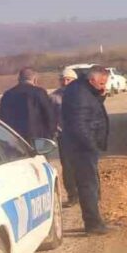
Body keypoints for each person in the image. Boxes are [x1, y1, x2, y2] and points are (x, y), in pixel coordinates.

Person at [60, 66, 112, 235]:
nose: (104, 85)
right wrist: (91, 145)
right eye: (102, 82)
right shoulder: (79, 94)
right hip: (81, 148)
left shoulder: (85, 89)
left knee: (92, 184)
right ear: (92, 80)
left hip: (84, 146)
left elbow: (92, 110)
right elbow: (79, 124)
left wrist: (101, 95)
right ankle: (93, 224)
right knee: (88, 185)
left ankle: (95, 220)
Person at [0, 68, 57, 146]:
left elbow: (2, 117)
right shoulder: (39, 93)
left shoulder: (8, 94)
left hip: (14, 138)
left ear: (19, 79)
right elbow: (49, 115)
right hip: (37, 138)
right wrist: (51, 134)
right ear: (35, 79)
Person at [50, 68, 79, 207]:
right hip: (64, 136)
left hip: (81, 135)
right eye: (63, 79)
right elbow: (49, 117)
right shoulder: (54, 97)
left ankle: (90, 194)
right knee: (67, 167)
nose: (65, 82)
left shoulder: (82, 94)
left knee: (84, 165)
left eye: (69, 79)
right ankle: (72, 195)